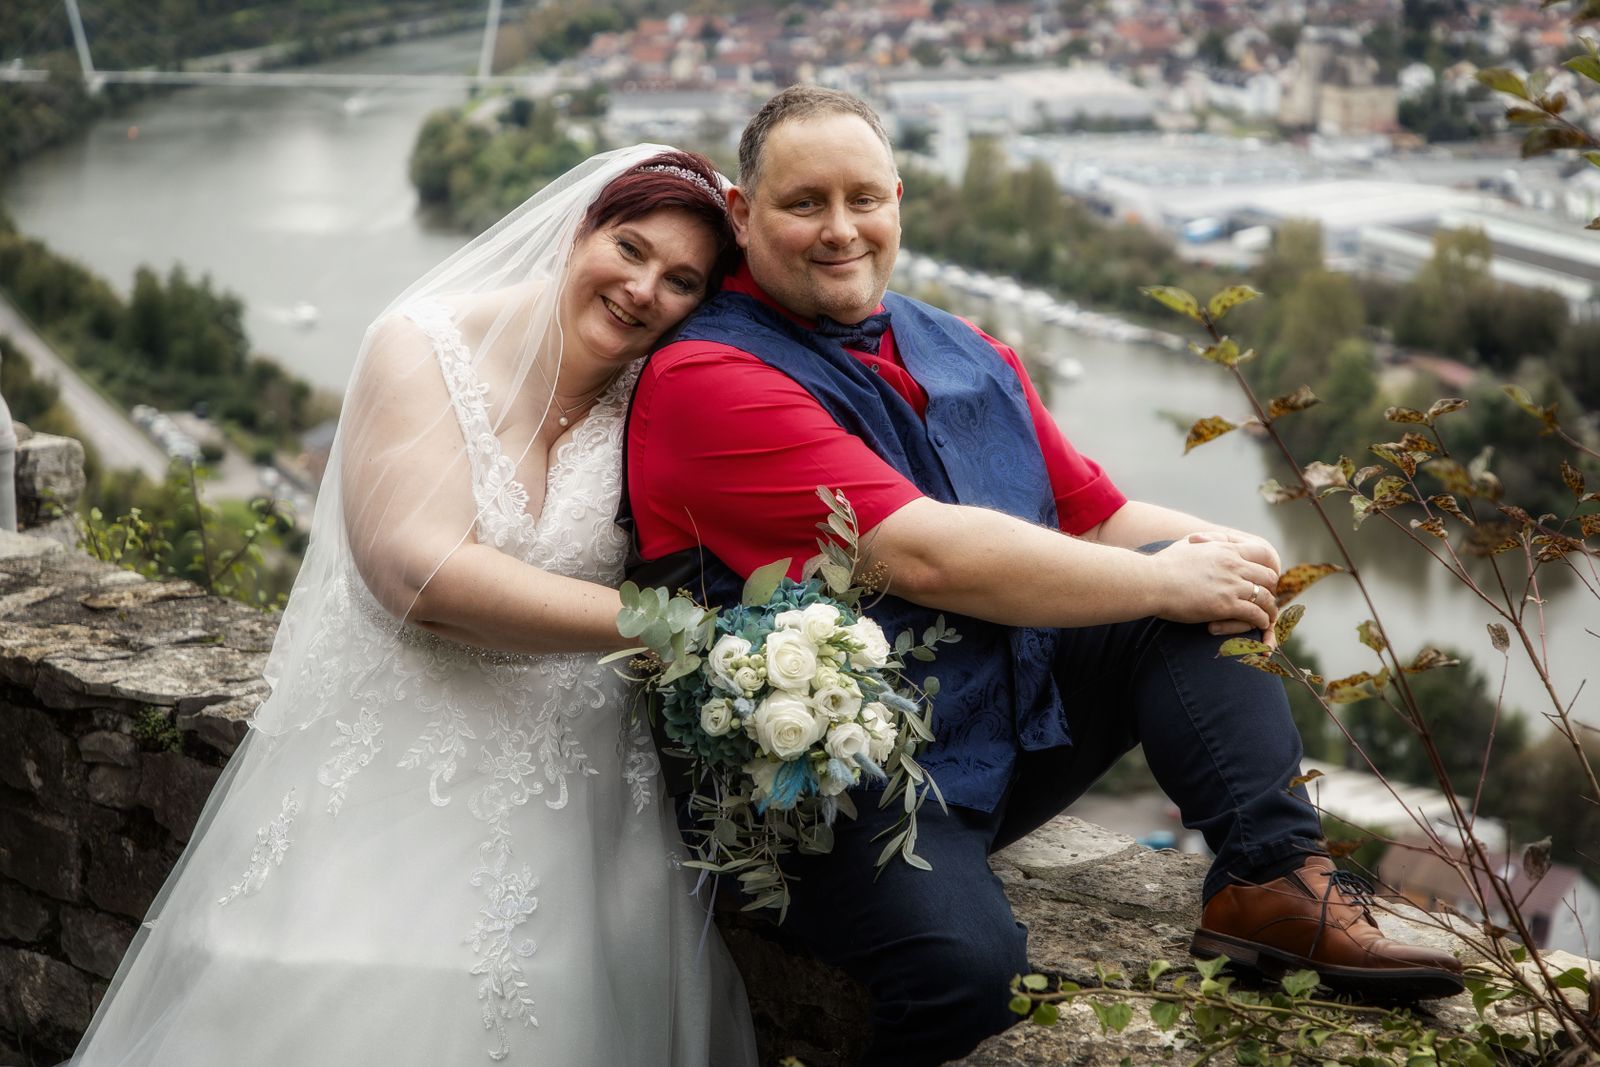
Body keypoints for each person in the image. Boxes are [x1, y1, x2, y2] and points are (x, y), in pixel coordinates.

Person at [622, 88, 1465, 1066]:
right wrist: (1167, 582)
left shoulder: (962, 346)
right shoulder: (706, 380)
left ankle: (1270, 883)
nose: (841, 229)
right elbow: (920, 547)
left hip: (1002, 731)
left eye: (864, 198)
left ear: (898, 199)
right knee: (966, 971)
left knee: (1193, 579)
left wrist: (1230, 553)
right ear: (740, 213)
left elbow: (1096, 517)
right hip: (832, 786)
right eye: (803, 203)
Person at [65, 147, 758, 1066]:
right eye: (628, 248)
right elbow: (416, 578)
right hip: (399, 782)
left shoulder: (658, 398)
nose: (641, 289)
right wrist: (679, 634)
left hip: (591, 811)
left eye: (680, 281)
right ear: (579, 228)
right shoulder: (423, 344)